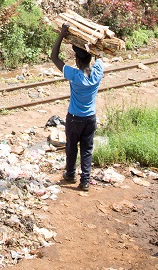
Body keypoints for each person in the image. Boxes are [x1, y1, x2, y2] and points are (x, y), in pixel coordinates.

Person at [50, 23, 104, 191]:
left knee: (72, 147)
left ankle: (71, 173)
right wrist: (92, 43)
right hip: (90, 118)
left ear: (77, 60)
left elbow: (54, 57)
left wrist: (61, 35)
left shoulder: (74, 75)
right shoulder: (97, 73)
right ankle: (85, 181)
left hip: (74, 118)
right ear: (89, 59)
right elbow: (100, 56)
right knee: (87, 149)